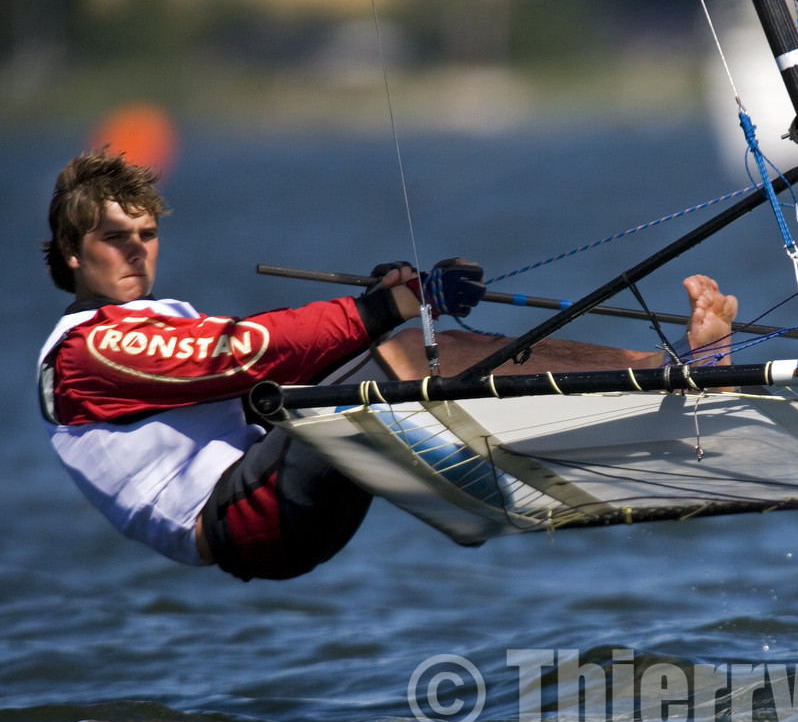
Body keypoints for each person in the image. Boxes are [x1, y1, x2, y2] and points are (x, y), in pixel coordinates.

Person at [37, 149, 738, 581]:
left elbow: (263, 386)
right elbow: (241, 355)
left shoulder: (159, 320)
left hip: (282, 487)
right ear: (73, 253)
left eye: (147, 234)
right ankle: (666, 372)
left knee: (417, 358)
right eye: (113, 238)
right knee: (398, 348)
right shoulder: (82, 354)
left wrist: (382, 302)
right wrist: (391, 308)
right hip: (246, 520)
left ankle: (641, 394)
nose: (135, 250)